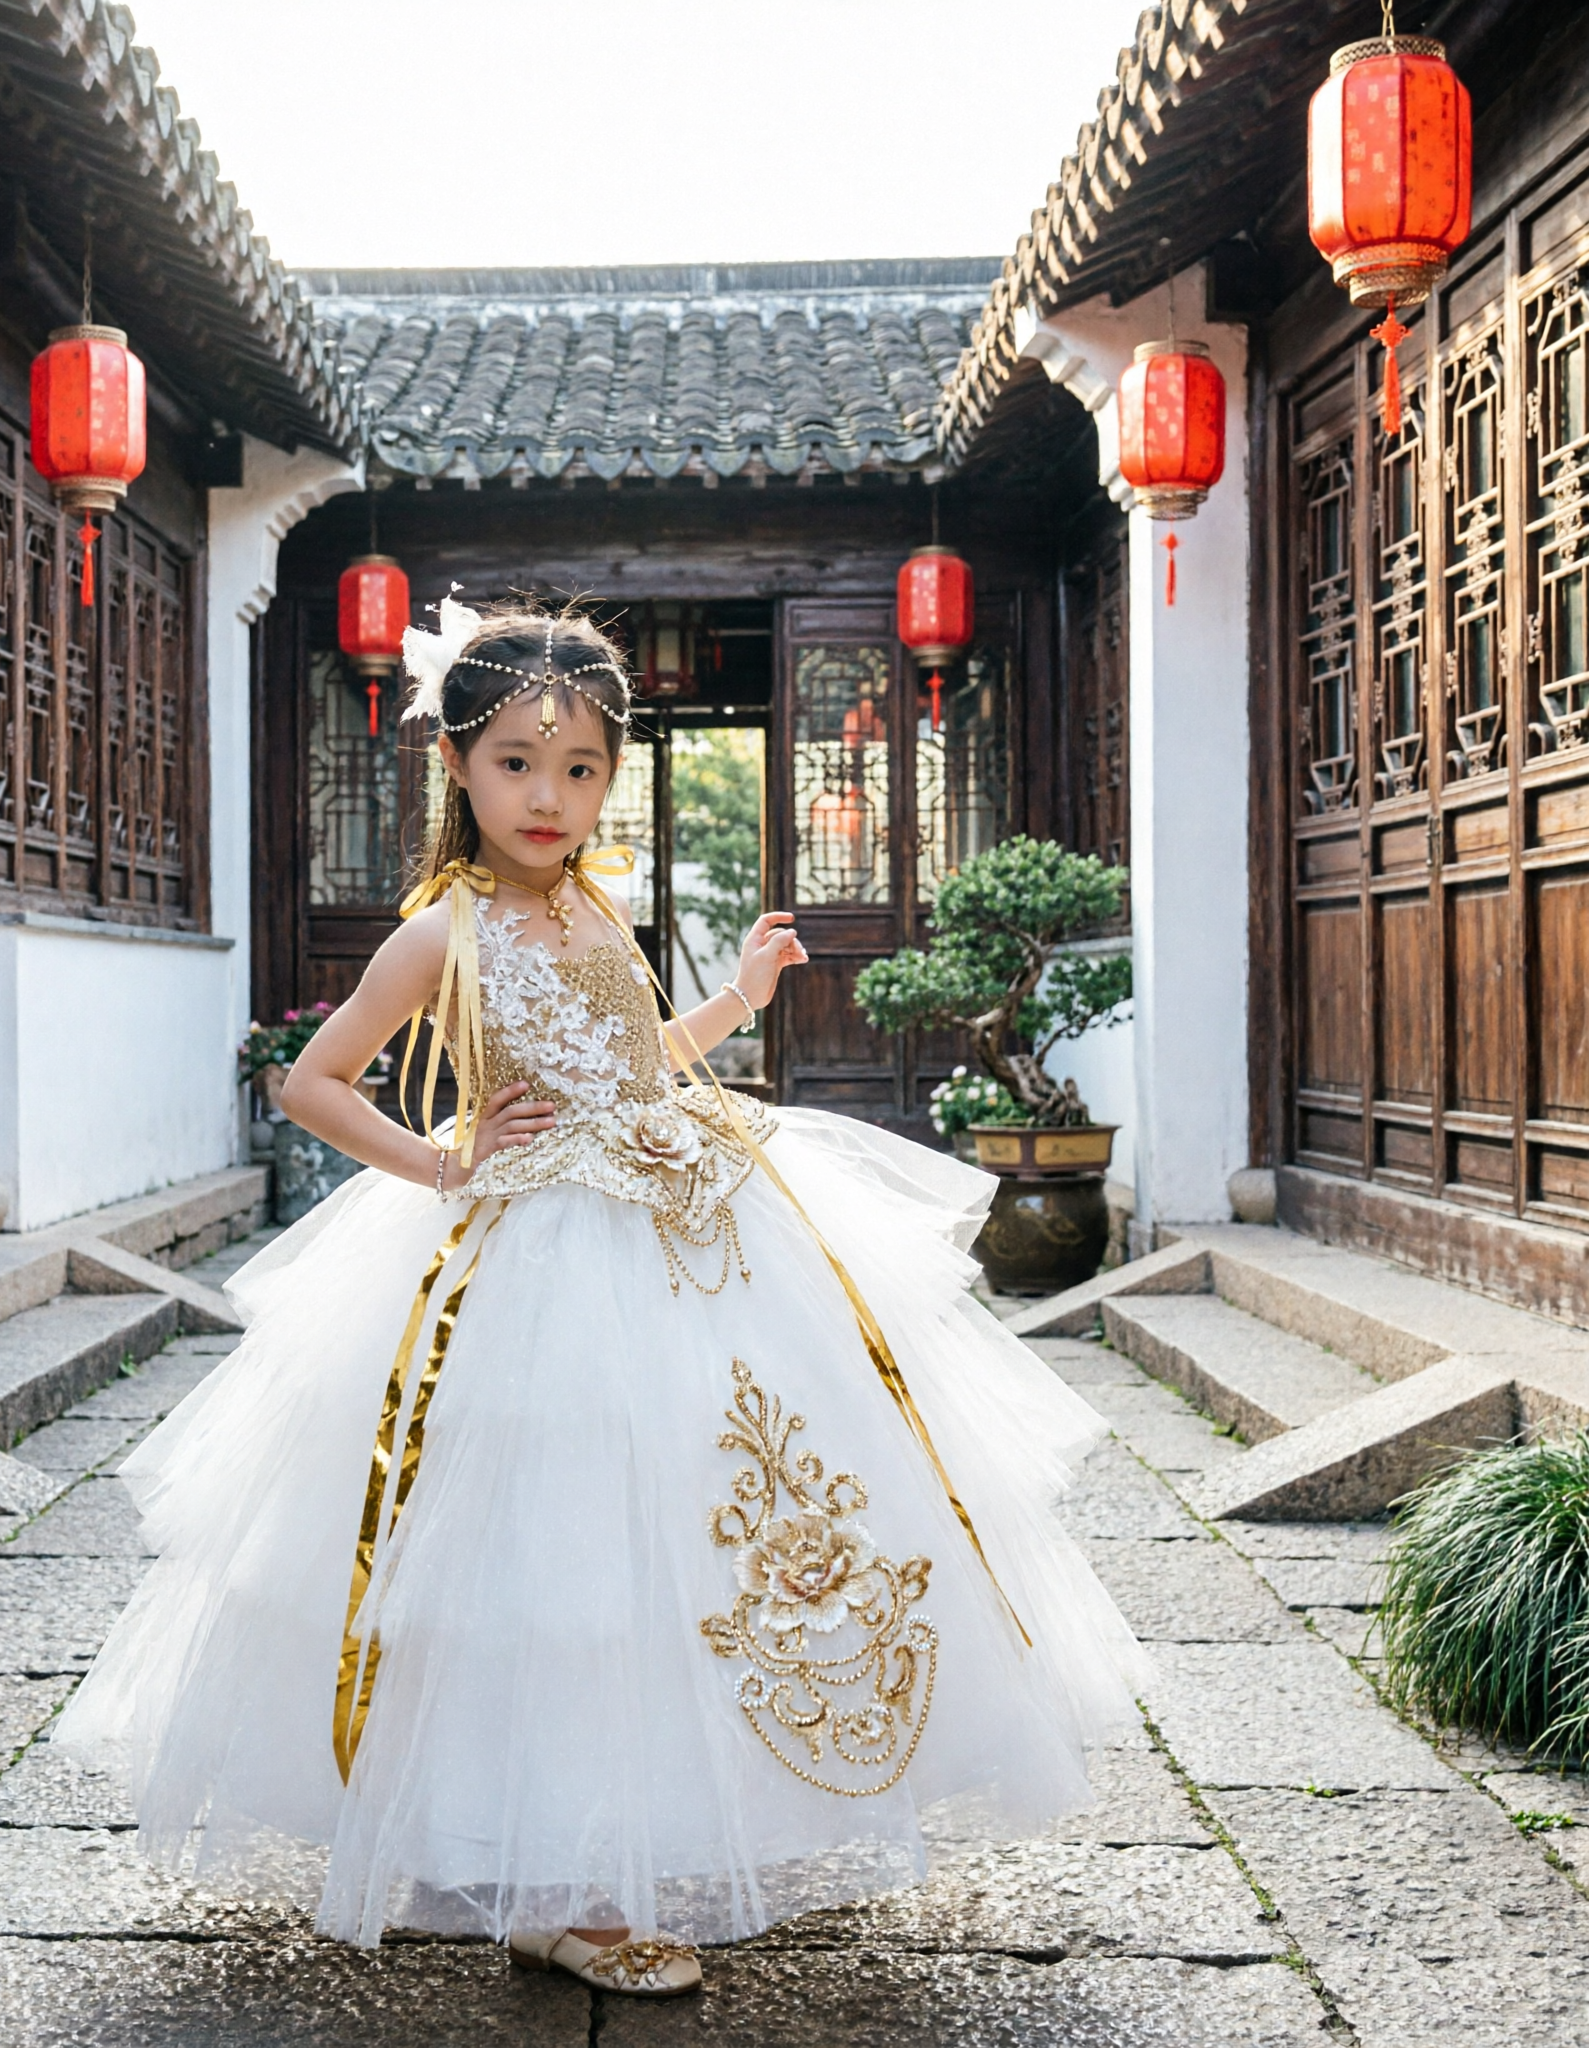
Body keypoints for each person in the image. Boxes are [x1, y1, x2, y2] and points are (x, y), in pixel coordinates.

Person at [55, 594, 1145, 1998]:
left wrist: (738, 999)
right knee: (559, 1546)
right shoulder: (443, 932)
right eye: (517, 762)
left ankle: (655, 1822)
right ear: (457, 764)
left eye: (579, 768)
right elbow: (311, 1084)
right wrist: (444, 1163)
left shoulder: (591, 908)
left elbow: (638, 1069)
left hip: (682, 1215)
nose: (549, 796)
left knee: (709, 1519)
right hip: (540, 1256)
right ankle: (555, 1879)